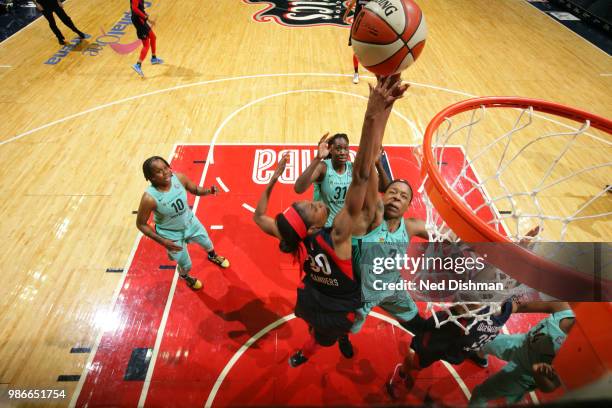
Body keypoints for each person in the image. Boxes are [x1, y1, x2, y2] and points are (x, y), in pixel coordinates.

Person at [253, 75, 408, 367]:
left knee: (319, 334)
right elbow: (363, 174)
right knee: (328, 335)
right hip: (339, 305)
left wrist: (274, 178)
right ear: (311, 227)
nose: (315, 201)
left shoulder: (294, 237)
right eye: (312, 206)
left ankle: (316, 346)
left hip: (316, 299)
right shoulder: (336, 235)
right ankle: (322, 345)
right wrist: (374, 112)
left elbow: (259, 217)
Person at [136, 156, 230, 291]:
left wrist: (209, 191)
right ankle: (185, 276)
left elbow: (195, 190)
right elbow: (141, 224)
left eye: (166, 167)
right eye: (159, 171)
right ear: (150, 177)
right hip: (171, 236)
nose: (166, 172)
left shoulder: (179, 178)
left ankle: (212, 256)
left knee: (208, 243)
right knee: (186, 265)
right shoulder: (149, 198)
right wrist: (163, 241)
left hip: (191, 223)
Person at [469, 302, 575, 406]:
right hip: (522, 343)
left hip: (524, 374)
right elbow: (521, 306)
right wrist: (502, 309)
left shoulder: (577, 353)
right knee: (483, 342)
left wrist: (538, 373)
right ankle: (479, 357)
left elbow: (549, 387)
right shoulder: (565, 309)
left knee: (480, 394)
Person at [294, 133, 353, 228]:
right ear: (331, 150)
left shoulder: (353, 168)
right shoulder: (322, 167)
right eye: (338, 149)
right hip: (325, 227)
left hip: (345, 226)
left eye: (345, 148)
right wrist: (318, 158)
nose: (342, 152)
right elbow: (298, 188)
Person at [130, 0, 163, 77]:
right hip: (138, 21)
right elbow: (134, 8)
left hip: (141, 19)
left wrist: (148, 19)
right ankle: (138, 64)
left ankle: (154, 58)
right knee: (146, 45)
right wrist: (145, 17)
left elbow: (140, 9)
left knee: (153, 37)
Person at [344, 0, 371, 84]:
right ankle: (356, 73)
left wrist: (345, 16)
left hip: (369, 26)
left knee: (371, 50)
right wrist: (345, 15)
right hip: (358, 26)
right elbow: (351, 5)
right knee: (356, 51)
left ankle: (378, 71)